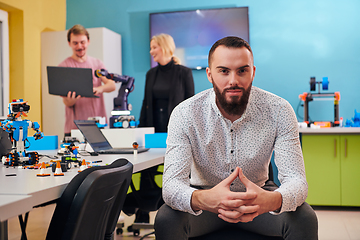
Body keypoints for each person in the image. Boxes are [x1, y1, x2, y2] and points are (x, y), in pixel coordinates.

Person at [154, 36, 318, 240]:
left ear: (253, 72)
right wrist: (204, 198)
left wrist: (272, 200)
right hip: (205, 201)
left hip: (258, 200)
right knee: (166, 219)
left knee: (305, 218)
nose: (233, 80)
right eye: (223, 71)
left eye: (242, 70)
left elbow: (297, 180)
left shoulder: (279, 110)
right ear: (209, 74)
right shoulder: (185, 113)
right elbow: (170, 186)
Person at [123, 34, 194, 226]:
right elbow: (146, 103)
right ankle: (143, 209)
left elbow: (190, 104)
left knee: (173, 170)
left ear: (163, 47)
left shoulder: (183, 72)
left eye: (153, 47)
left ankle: (172, 209)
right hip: (153, 133)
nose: (151, 51)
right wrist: (139, 131)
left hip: (176, 133)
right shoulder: (150, 74)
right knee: (147, 167)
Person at [59, 24, 116, 136]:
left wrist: (99, 89)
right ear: (69, 43)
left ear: (88, 41)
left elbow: (112, 85)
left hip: (99, 126)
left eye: (82, 42)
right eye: (75, 43)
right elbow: (66, 102)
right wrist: (77, 96)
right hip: (75, 129)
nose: (80, 46)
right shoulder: (64, 66)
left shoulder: (97, 63)